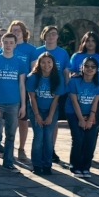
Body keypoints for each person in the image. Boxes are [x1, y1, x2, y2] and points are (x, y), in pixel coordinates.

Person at [0, 33, 26, 173]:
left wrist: (23, 105)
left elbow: (22, 85)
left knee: (11, 134)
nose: (8, 45)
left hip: (13, 104)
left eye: (11, 42)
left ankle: (8, 162)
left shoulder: (20, 63)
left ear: (15, 44)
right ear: (1, 44)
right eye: (6, 42)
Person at [34, 26, 71, 163]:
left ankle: (51, 149)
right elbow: (33, 70)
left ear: (57, 36)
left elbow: (66, 72)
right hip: (40, 91)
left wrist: (68, 89)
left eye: (54, 34)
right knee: (39, 123)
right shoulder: (37, 51)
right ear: (43, 36)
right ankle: (39, 150)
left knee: (53, 121)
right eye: (48, 34)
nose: (51, 36)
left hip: (57, 91)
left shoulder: (63, 53)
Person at [65, 57, 99, 178]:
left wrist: (91, 118)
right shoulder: (74, 81)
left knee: (90, 138)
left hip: (91, 111)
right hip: (74, 111)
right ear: (81, 68)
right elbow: (74, 101)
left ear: (97, 69)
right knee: (78, 138)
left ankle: (86, 167)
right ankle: (75, 167)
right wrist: (81, 120)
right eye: (87, 66)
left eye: (93, 66)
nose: (90, 69)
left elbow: (96, 102)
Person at [26, 52, 65, 175]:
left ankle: (47, 164)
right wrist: (37, 115)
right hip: (36, 109)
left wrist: (50, 116)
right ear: (39, 63)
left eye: (49, 62)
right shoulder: (33, 77)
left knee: (48, 137)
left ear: (53, 63)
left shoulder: (58, 77)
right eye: (43, 62)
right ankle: (37, 164)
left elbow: (55, 99)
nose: (46, 65)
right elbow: (32, 98)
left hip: (51, 110)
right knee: (38, 136)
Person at [70, 31, 99, 129]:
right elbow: (71, 73)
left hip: (98, 94)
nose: (90, 43)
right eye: (87, 40)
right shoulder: (77, 56)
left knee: (94, 127)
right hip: (80, 95)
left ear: (97, 43)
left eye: (93, 41)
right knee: (79, 127)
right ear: (83, 42)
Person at [9, 21, 37, 161]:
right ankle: (9, 147)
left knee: (22, 120)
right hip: (7, 86)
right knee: (9, 120)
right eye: (13, 30)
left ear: (24, 32)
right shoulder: (8, 46)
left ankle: (21, 148)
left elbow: (33, 69)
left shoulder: (31, 49)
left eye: (18, 30)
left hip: (23, 88)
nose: (16, 32)